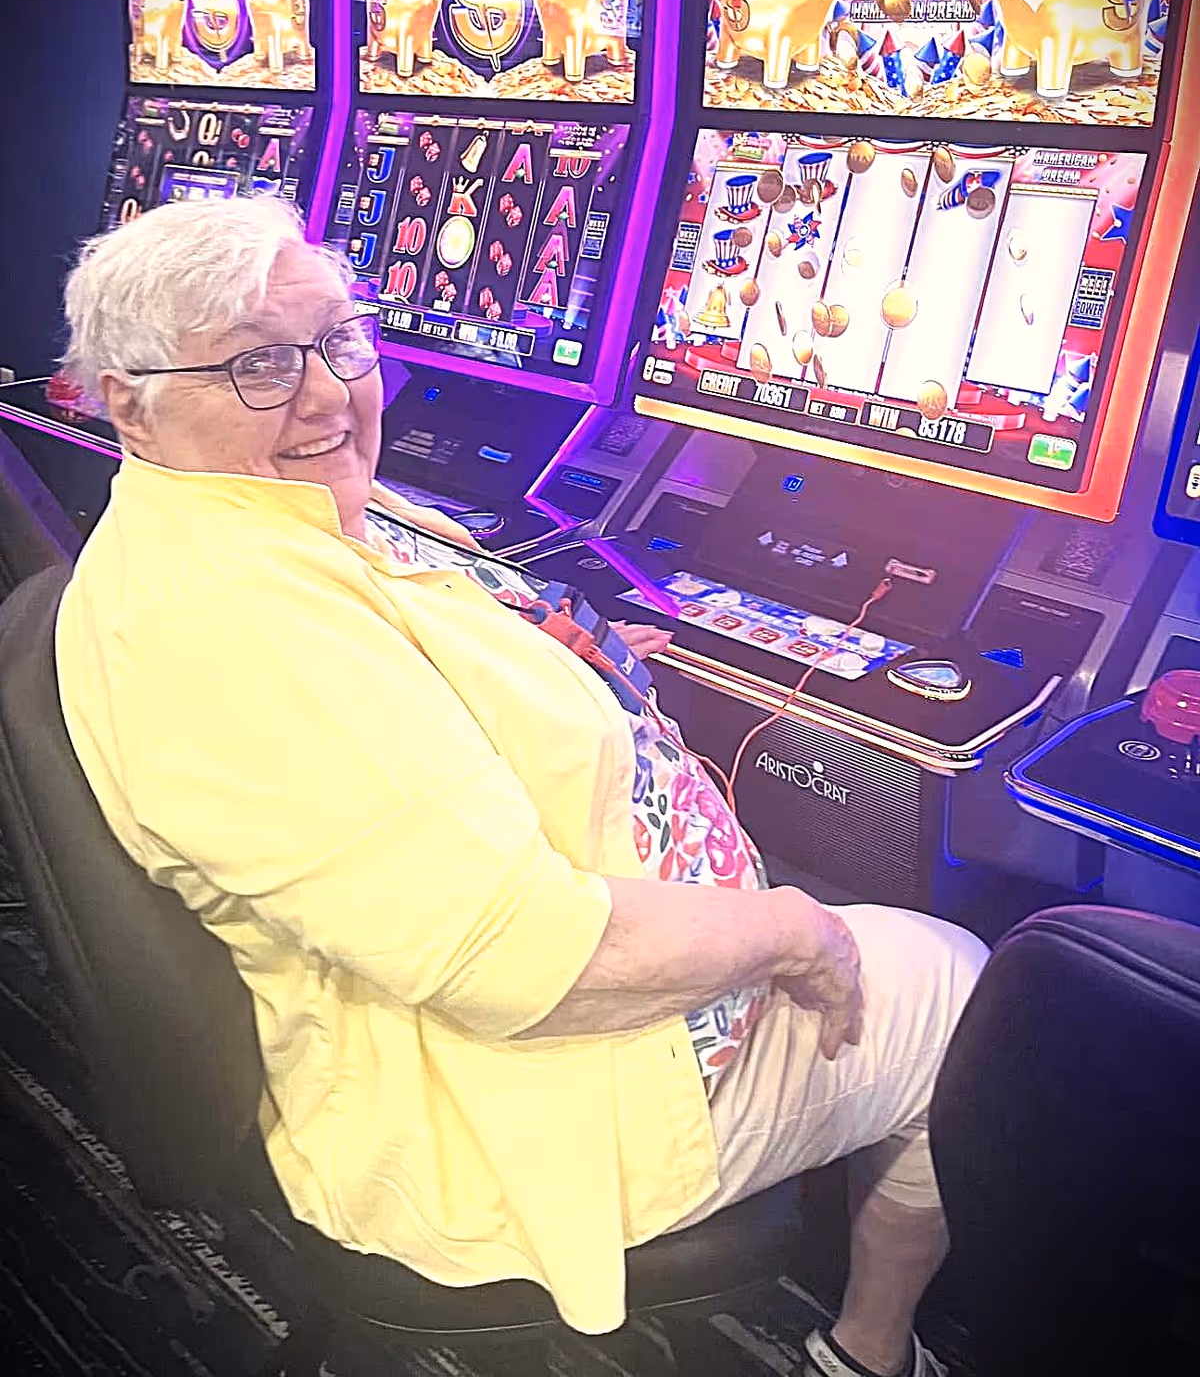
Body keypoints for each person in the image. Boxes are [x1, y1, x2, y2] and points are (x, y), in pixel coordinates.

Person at [55, 197, 987, 1377]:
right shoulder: (229, 629)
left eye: (343, 340)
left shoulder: (256, 507)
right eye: (256, 366)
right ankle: (868, 1350)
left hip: (466, 1012)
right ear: (126, 399)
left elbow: (432, 631)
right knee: (965, 986)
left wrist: (578, 672)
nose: (331, 395)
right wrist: (791, 930)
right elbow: (526, 959)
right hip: (501, 1109)